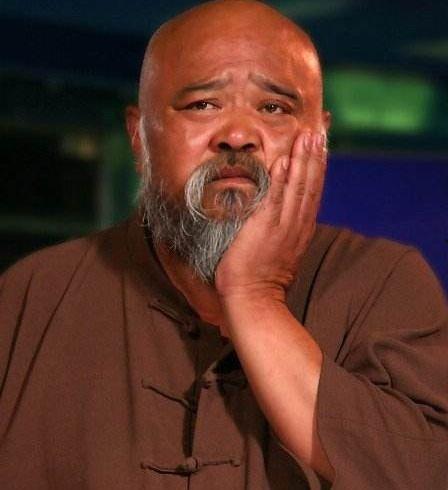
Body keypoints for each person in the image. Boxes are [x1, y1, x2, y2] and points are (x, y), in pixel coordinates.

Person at [0, 1, 447, 488]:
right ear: (138, 138)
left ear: (320, 138)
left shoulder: (382, 282)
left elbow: (420, 475)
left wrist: (254, 298)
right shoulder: (34, 295)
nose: (237, 135)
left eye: (274, 108)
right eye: (203, 105)